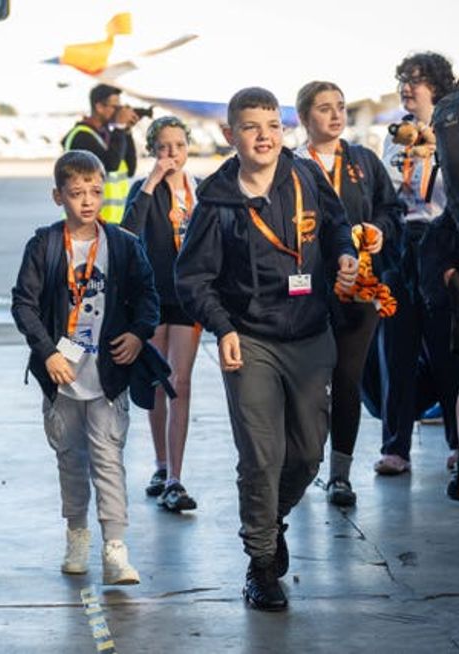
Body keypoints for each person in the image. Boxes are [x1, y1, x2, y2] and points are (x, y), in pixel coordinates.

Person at [175, 87, 358, 611]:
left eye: (273, 125)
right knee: (261, 456)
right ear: (231, 135)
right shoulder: (216, 200)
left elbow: (336, 225)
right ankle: (260, 563)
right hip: (249, 341)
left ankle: (268, 520)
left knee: (305, 455)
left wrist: (344, 255)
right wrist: (222, 328)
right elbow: (192, 278)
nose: (265, 136)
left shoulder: (305, 177)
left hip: (310, 335)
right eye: (252, 127)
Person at [11, 150, 159, 585]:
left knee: (109, 459)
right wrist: (48, 353)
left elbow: (147, 295)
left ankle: (115, 548)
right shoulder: (44, 245)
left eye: (95, 191)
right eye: (76, 194)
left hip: (106, 375)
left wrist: (138, 333)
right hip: (61, 379)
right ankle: (77, 534)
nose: (87, 201)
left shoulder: (124, 246)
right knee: (70, 460)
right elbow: (24, 303)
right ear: (58, 196)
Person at [293, 81, 403, 506]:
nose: (336, 115)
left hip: (359, 289)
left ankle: (340, 474)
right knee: (304, 384)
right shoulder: (292, 165)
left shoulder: (363, 161)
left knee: (347, 381)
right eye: (324, 108)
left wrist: (379, 230)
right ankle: (300, 466)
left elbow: (390, 210)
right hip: (307, 291)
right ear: (305, 118)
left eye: (340, 107)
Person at [371, 53, 459, 476]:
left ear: (437, 86)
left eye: (417, 81)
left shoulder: (452, 132)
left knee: (446, 350)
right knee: (396, 348)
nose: (408, 87)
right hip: (397, 245)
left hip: (438, 242)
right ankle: (396, 447)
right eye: (403, 80)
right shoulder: (393, 138)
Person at [122, 116, 202, 512]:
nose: (172, 154)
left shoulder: (198, 191)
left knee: (180, 382)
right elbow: (127, 232)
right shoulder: (144, 190)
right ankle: (160, 463)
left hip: (186, 298)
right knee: (157, 382)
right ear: (153, 150)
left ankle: (176, 476)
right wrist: (152, 182)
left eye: (179, 146)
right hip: (152, 297)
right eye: (164, 147)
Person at [62, 84, 139, 224]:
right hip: (87, 221)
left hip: (112, 221)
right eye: (115, 108)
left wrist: (126, 131)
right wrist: (119, 128)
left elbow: (131, 168)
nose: (118, 112)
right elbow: (111, 165)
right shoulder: (82, 137)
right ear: (99, 107)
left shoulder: (108, 136)